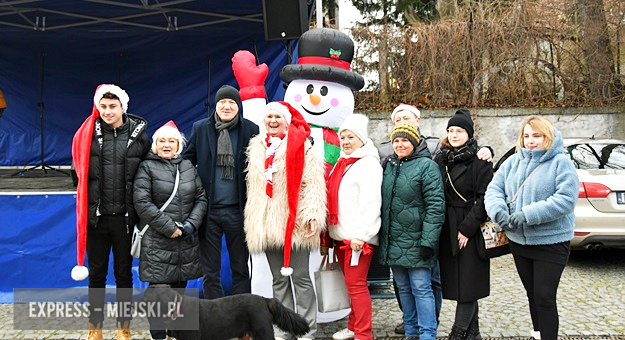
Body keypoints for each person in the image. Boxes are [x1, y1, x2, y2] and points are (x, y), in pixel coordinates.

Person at [378, 103, 493, 334]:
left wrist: (487, 148)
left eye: (407, 118)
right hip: (436, 229)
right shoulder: (432, 156)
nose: (402, 123)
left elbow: (483, 195)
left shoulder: (432, 150)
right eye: (397, 119)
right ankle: (429, 326)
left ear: (417, 121)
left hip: (448, 226)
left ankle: (442, 328)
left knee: (444, 283)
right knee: (410, 285)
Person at [485, 115, 578, 340]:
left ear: (548, 137)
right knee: (533, 295)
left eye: (536, 136)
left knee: (545, 296)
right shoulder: (512, 162)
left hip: (551, 242)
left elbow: (565, 199)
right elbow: (493, 190)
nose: (530, 141)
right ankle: (538, 334)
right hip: (519, 242)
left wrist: (526, 215)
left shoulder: (561, 163)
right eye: (526, 136)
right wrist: (499, 212)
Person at [71, 84, 151, 340]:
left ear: (122, 108)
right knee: (96, 275)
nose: (107, 111)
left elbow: (147, 173)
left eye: (112, 107)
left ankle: (123, 327)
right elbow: (78, 172)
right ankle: (95, 328)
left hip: (126, 220)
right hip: (97, 219)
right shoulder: (86, 135)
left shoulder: (139, 135)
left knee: (124, 275)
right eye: (102, 106)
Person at [244, 101, 327, 340]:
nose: (272, 121)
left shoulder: (303, 146)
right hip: (267, 223)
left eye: (277, 117)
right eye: (269, 116)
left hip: (295, 223)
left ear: (286, 121)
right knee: (279, 280)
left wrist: (312, 214)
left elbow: (313, 183)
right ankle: (285, 328)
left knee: (300, 278)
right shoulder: (256, 146)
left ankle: (307, 329)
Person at [133, 120, 208, 340]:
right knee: (158, 294)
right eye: (162, 141)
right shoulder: (146, 167)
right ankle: (158, 335)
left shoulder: (187, 167)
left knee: (179, 292)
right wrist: (169, 228)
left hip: (185, 240)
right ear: (155, 144)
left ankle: (178, 332)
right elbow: (142, 202)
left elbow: (201, 198)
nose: (167, 145)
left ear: (179, 145)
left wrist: (190, 225)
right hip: (158, 242)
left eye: (172, 141)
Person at [184, 84, 259, 299]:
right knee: (210, 270)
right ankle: (214, 317)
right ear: (216, 105)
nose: (227, 106)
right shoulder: (201, 128)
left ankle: (242, 316)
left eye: (232, 103)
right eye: (222, 102)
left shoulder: (250, 130)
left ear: (238, 106)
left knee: (241, 267)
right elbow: (188, 161)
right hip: (208, 211)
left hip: (238, 210)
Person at [378, 123, 445, 340]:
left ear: (415, 142)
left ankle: (427, 334)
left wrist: (428, 241)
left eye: (405, 140)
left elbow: (436, 206)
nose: (400, 144)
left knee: (421, 289)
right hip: (394, 241)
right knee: (404, 289)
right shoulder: (389, 165)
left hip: (418, 242)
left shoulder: (427, 166)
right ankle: (411, 332)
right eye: (396, 140)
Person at [434, 109, 494, 340]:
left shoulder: (480, 159)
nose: (454, 135)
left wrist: (467, 229)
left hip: (471, 226)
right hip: (447, 226)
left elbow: (485, 198)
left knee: (468, 284)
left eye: (459, 131)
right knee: (463, 283)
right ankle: (473, 334)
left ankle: (457, 334)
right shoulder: (442, 157)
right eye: (450, 130)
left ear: (469, 134)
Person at [327, 114, 382, 340]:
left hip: (357, 239)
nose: (346, 141)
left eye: (351, 137)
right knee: (350, 285)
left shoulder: (368, 164)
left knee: (357, 285)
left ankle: (363, 333)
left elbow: (370, 203)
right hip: (341, 236)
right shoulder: (343, 162)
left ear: (361, 139)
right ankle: (352, 326)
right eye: (343, 137)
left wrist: (361, 234)